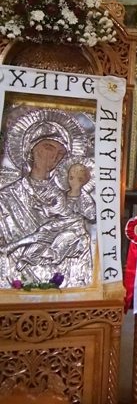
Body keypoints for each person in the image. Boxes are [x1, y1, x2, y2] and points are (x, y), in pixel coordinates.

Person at [0, 122, 93, 287]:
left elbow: (80, 236)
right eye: (49, 147)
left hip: (59, 278)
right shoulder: (6, 197)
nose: (55, 156)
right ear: (31, 149)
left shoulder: (64, 195)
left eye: (61, 152)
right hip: (14, 280)